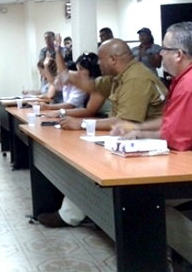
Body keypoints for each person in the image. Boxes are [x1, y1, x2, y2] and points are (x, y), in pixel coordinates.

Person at [38, 38, 168, 229]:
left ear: (113, 59)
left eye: (101, 59)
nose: (98, 63)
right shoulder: (121, 75)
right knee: (84, 155)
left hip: (149, 143)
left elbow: (126, 122)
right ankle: (73, 212)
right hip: (131, 139)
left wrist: (81, 124)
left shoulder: (136, 79)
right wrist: (66, 75)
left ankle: (70, 215)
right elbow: (92, 86)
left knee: (91, 160)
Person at [111, 21, 192, 271]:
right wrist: (138, 129)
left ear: (179, 54)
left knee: (144, 202)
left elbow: (175, 138)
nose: (160, 53)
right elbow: (173, 121)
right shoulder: (188, 77)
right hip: (190, 163)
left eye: (165, 49)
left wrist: (138, 134)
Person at [42, 43, 111, 119]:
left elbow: (89, 111)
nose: (78, 73)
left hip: (105, 119)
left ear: (91, 71)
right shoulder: (83, 79)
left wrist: (61, 112)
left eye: (81, 69)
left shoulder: (100, 84)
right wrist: (57, 52)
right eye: (77, 69)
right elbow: (64, 75)